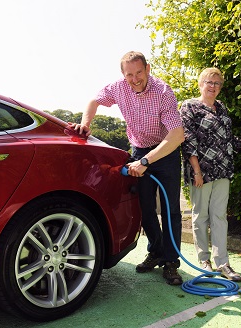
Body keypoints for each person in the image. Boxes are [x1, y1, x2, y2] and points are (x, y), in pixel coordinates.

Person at [69, 51, 185, 285]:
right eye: (129, 74)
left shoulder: (163, 92)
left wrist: (145, 162)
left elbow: (177, 135)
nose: (135, 79)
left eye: (139, 72)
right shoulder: (118, 88)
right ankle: (156, 252)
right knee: (144, 208)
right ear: (123, 75)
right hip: (139, 149)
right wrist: (85, 124)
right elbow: (94, 100)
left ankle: (171, 262)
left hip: (166, 151)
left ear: (148, 69)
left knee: (171, 210)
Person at [179, 67, 241, 282]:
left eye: (217, 84)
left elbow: (228, 138)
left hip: (223, 169)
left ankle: (223, 263)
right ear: (201, 84)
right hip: (200, 170)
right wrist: (197, 171)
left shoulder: (222, 108)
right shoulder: (190, 106)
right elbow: (188, 140)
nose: (213, 86)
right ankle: (204, 260)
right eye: (209, 82)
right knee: (200, 216)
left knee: (219, 216)